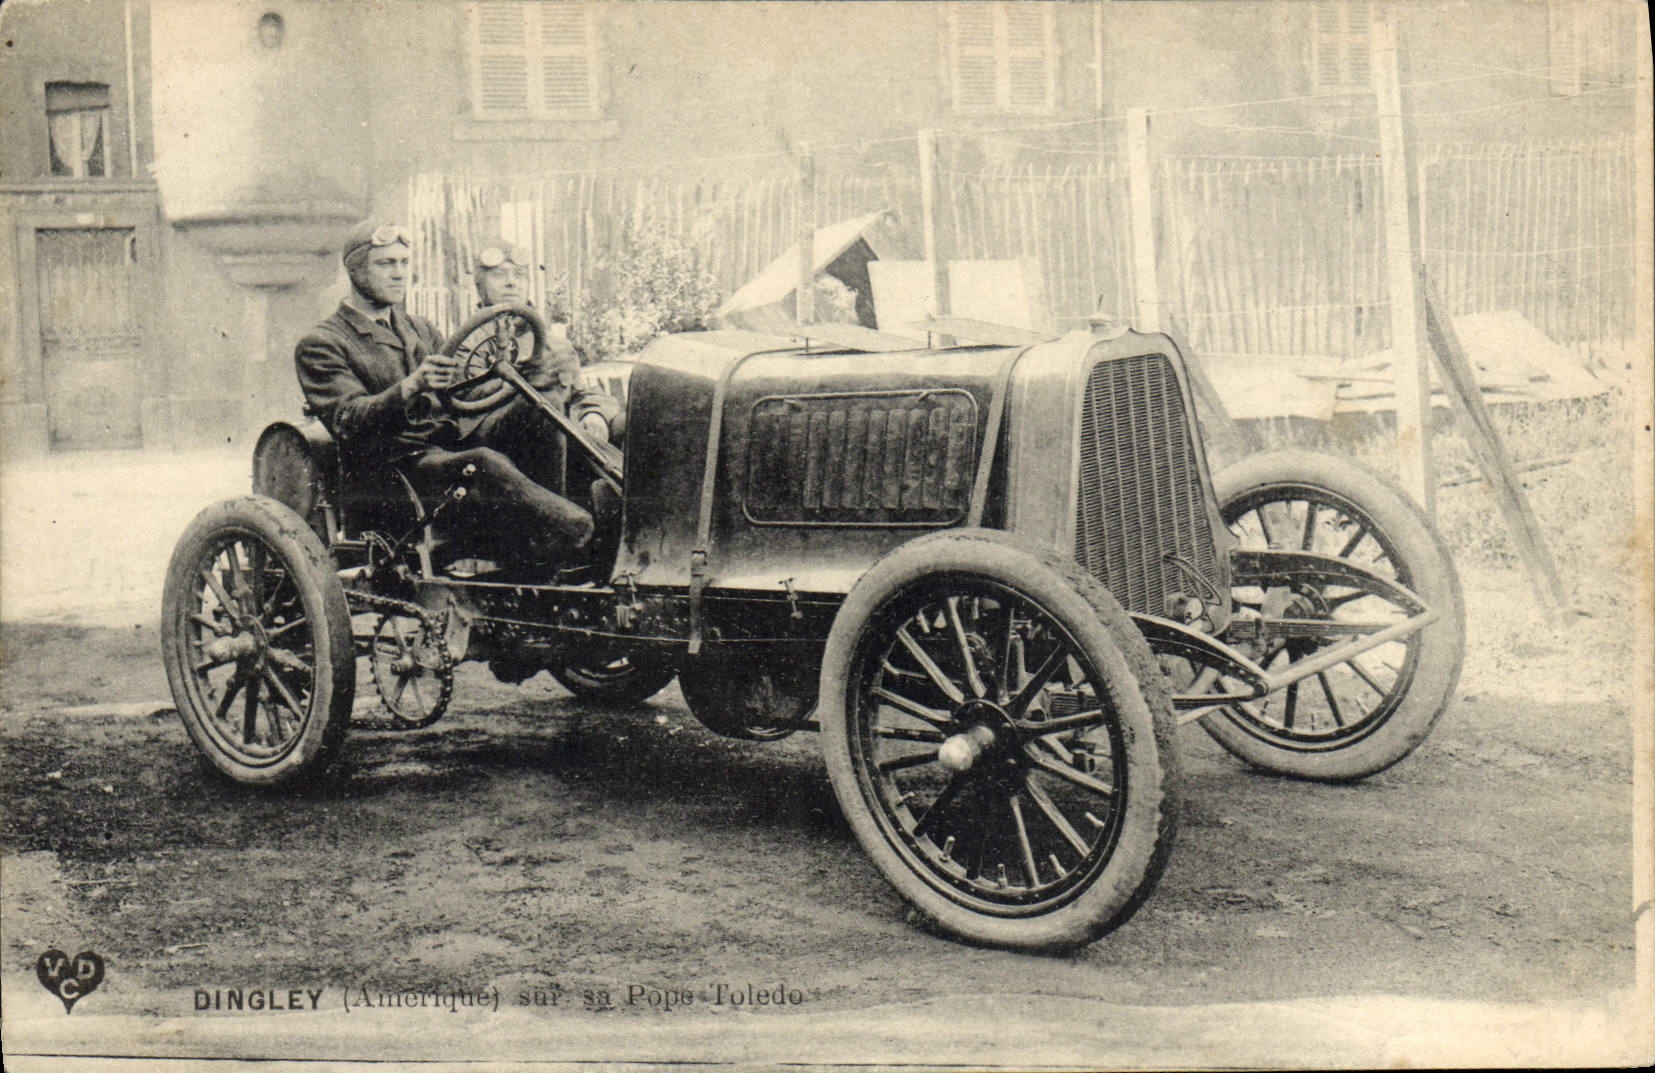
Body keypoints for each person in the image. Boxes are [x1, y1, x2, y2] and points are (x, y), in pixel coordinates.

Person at [294, 221, 620, 564]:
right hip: (394, 471)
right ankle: (571, 532)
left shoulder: (420, 328)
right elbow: (348, 420)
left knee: (537, 411)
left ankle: (575, 523)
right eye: (385, 264)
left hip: (448, 448)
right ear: (354, 269)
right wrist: (410, 387)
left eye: (404, 263)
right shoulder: (323, 343)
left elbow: (462, 396)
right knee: (483, 462)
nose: (398, 274)